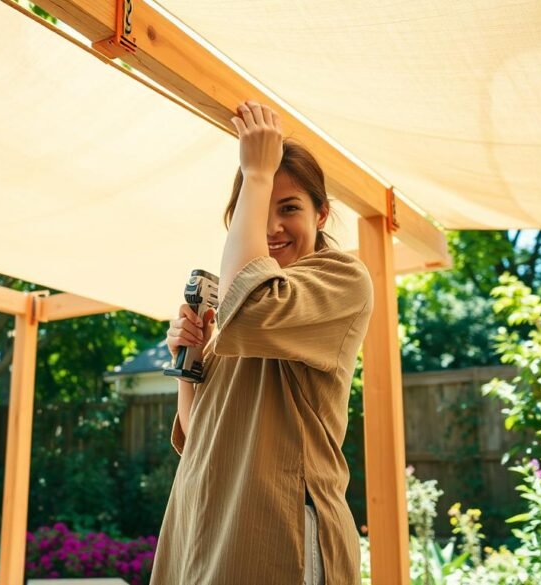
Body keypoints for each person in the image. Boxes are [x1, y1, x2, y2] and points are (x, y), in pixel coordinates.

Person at [149, 100, 374, 585]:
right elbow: (198, 438)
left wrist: (256, 174)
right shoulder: (238, 317)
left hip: (277, 535)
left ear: (321, 214)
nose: (272, 227)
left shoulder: (341, 278)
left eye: (289, 207)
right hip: (205, 529)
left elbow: (252, 306)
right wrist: (189, 365)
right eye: (259, 208)